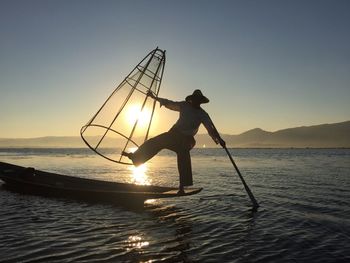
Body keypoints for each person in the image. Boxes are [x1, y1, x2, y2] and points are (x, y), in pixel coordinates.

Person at [122, 89, 225, 194]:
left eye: (197, 100)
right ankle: (135, 157)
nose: (195, 101)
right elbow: (169, 103)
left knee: (183, 158)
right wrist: (154, 97)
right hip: (173, 134)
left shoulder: (203, 114)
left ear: (200, 101)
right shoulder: (185, 105)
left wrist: (220, 140)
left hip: (186, 139)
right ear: (192, 99)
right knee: (154, 142)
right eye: (194, 99)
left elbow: (211, 129)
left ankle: (181, 188)